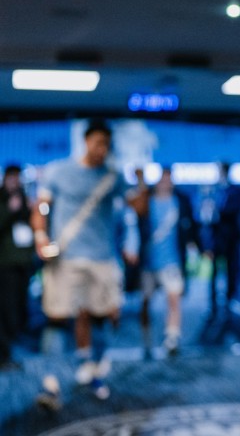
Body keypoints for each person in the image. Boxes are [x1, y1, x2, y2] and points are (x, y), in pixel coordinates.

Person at [30, 120, 149, 406]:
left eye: (106, 144)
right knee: (57, 318)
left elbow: (140, 208)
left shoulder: (113, 176)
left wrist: (142, 179)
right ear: (86, 142)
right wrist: (40, 236)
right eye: (97, 143)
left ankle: (95, 372)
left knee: (101, 316)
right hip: (66, 257)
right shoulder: (60, 171)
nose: (101, 149)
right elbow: (42, 206)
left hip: (102, 258)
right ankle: (50, 384)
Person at [125, 166, 200, 355]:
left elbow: (191, 227)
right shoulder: (146, 201)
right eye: (163, 179)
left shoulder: (180, 202)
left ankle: (172, 337)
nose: (166, 183)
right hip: (148, 262)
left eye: (169, 179)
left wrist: (198, 246)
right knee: (145, 302)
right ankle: (146, 336)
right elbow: (134, 216)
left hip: (172, 261)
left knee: (174, 299)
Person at [1, 164, 36, 370]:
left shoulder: (24, 199)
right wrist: (9, 210)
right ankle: (3, 355)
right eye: (11, 177)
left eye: (17, 178)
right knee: (6, 311)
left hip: (23, 264)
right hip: (5, 265)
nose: (15, 182)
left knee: (18, 310)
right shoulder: (3, 200)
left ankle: (10, 350)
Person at [204, 161, 240, 318]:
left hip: (231, 239)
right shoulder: (213, 191)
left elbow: (232, 211)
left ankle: (229, 300)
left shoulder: (235, 191)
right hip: (216, 239)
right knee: (213, 272)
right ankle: (213, 303)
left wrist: (217, 211)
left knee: (230, 271)